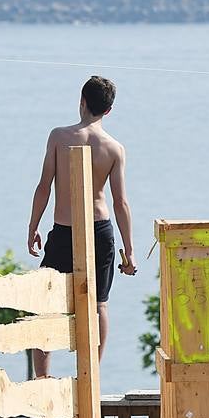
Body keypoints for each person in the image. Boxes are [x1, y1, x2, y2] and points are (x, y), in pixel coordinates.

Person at [26, 76, 136, 377]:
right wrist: (130, 251)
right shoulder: (114, 148)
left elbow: (44, 186)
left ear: (82, 101)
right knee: (99, 302)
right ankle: (90, 374)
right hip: (100, 229)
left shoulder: (59, 137)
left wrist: (33, 226)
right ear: (109, 110)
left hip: (64, 229)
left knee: (46, 302)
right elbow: (120, 203)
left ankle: (43, 376)